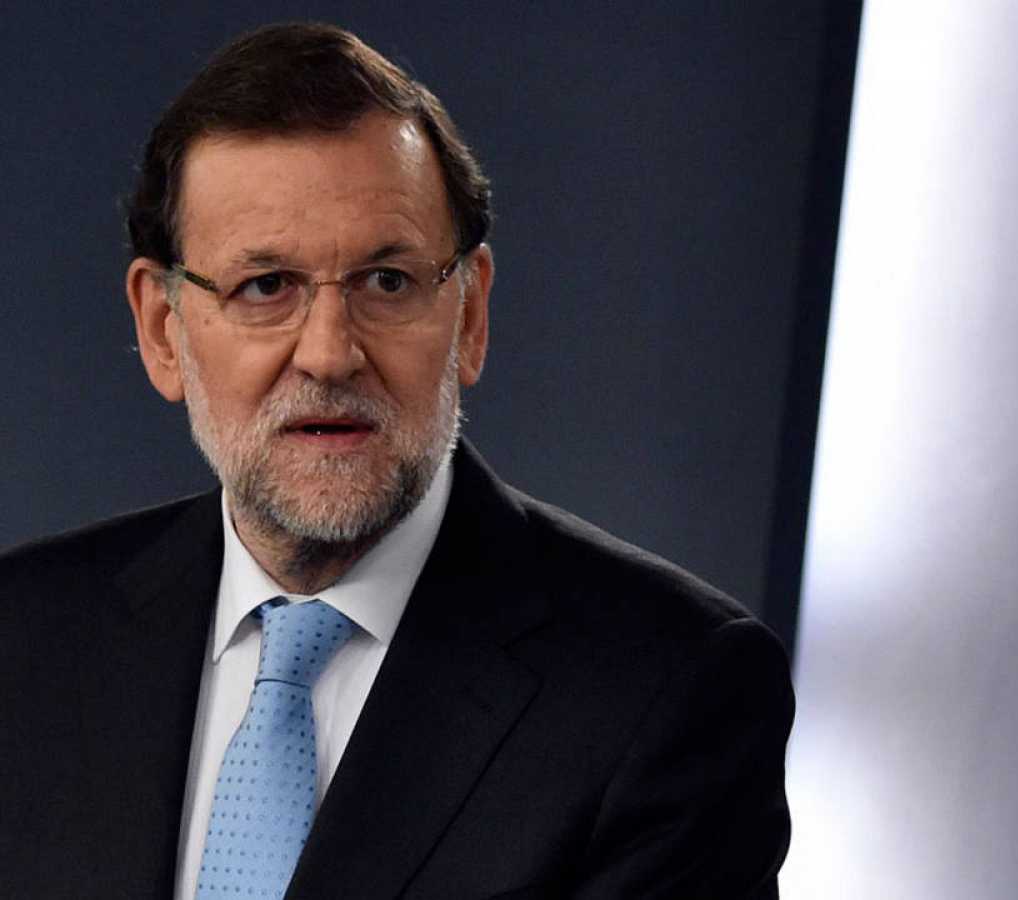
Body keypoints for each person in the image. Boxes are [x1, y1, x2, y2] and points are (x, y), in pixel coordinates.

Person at [0, 22, 793, 900]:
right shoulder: (21, 639)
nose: (329, 354)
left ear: (470, 315)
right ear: (163, 331)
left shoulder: (670, 688)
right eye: (266, 287)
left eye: (387, 282)